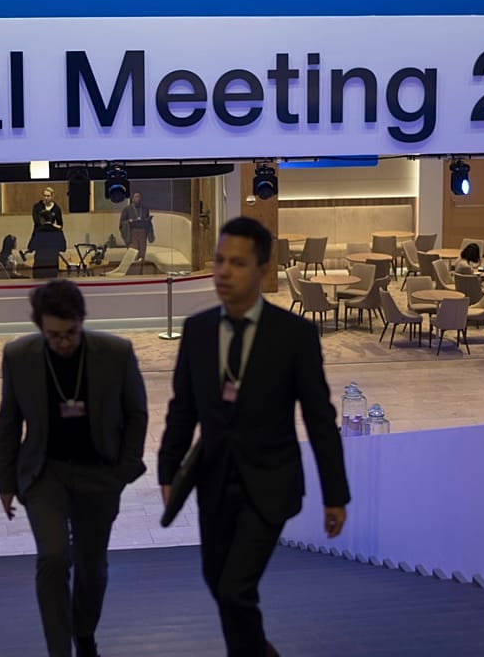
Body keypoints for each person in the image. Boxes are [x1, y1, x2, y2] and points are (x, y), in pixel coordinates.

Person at [157, 217, 349, 657]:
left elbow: (319, 418)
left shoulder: (294, 335)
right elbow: (182, 407)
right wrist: (169, 468)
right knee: (216, 580)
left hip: (270, 483)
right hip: (213, 482)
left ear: (264, 270)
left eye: (237, 263)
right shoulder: (198, 330)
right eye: (220, 260)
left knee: (235, 590)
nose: (223, 272)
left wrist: (335, 494)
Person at [0, 280, 149, 657]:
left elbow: (137, 414)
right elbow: (9, 421)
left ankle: (84, 633)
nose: (63, 343)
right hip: (45, 472)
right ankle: (59, 650)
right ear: (40, 327)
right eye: (53, 335)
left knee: (92, 568)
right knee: (53, 557)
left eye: (70, 334)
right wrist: (5, 482)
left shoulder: (116, 353)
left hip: (100, 473)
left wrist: (123, 472)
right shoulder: (19, 357)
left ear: (82, 321)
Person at [29, 187, 66, 279]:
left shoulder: (56, 208)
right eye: (44, 196)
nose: (46, 198)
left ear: (52, 196)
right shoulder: (37, 207)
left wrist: (54, 227)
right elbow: (63, 248)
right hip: (43, 236)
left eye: (48, 196)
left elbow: (30, 247)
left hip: (44, 251)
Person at [117, 191, 153, 273]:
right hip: (132, 233)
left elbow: (148, 222)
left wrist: (147, 221)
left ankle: (140, 273)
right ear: (132, 199)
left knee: (142, 254)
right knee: (133, 254)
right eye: (136, 197)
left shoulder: (145, 209)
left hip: (143, 233)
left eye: (139, 197)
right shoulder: (127, 209)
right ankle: (132, 274)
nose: (138, 199)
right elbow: (122, 223)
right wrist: (128, 222)